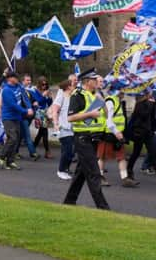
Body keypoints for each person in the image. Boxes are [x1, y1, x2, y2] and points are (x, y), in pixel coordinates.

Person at [63, 68, 110, 210]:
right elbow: (71, 117)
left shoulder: (94, 95)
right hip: (83, 138)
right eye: (95, 80)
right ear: (88, 81)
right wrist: (90, 114)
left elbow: (106, 115)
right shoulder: (77, 95)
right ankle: (103, 207)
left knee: (81, 173)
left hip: (94, 138)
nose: (97, 82)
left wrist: (102, 101)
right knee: (94, 173)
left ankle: (69, 201)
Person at [98, 89, 137, 188]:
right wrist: (117, 132)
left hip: (117, 134)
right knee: (102, 157)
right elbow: (109, 120)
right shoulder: (110, 101)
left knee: (121, 157)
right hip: (108, 134)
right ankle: (100, 177)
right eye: (122, 91)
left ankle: (125, 179)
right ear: (117, 91)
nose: (124, 93)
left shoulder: (117, 101)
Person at [0, 71, 33, 170]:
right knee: (12, 138)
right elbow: (13, 105)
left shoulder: (19, 86)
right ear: (9, 79)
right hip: (8, 117)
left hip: (17, 117)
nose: (17, 79)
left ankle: (10, 161)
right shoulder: (6, 90)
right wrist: (25, 111)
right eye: (15, 77)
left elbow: (25, 98)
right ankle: (1, 156)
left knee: (16, 139)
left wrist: (29, 107)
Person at [127, 91, 156, 184]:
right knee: (136, 153)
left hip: (149, 132)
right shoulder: (139, 103)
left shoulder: (150, 102)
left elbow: (152, 116)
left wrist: (153, 104)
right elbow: (144, 114)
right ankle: (129, 169)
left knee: (153, 152)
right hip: (139, 132)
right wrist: (151, 104)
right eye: (150, 91)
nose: (151, 93)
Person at [50, 78, 74, 180]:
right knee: (68, 150)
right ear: (68, 86)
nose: (75, 85)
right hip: (63, 127)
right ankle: (61, 170)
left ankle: (65, 169)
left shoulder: (72, 97)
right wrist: (56, 124)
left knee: (70, 151)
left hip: (72, 128)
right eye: (73, 84)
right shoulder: (61, 96)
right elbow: (54, 111)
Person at [32, 76, 53, 159]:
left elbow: (49, 103)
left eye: (46, 84)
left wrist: (49, 97)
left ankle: (33, 147)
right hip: (39, 113)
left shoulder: (46, 91)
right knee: (44, 132)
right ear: (39, 84)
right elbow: (37, 102)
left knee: (41, 132)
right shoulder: (35, 91)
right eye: (43, 84)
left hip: (45, 112)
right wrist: (43, 96)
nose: (44, 86)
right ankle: (47, 151)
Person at [19, 74, 39, 160]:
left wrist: (35, 103)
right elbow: (21, 104)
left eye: (30, 80)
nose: (29, 82)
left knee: (20, 136)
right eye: (27, 80)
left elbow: (33, 100)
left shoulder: (29, 91)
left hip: (30, 116)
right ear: (23, 81)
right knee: (27, 135)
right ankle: (33, 153)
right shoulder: (19, 91)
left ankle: (15, 152)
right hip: (23, 117)